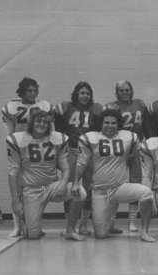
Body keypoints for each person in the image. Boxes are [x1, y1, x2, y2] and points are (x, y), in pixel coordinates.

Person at [75, 109, 155, 242]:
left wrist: (138, 180)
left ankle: (144, 232)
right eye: (107, 122)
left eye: (113, 123)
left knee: (146, 193)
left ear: (118, 124)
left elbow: (135, 159)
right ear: (101, 123)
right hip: (100, 190)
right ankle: (109, 223)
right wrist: (76, 181)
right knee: (101, 235)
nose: (110, 126)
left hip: (120, 187)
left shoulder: (129, 137)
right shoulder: (90, 138)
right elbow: (81, 162)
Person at [6, 110, 86, 240]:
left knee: (80, 192)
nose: (42, 124)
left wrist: (63, 183)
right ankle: (30, 221)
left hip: (51, 186)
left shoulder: (57, 139)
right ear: (31, 122)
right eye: (38, 121)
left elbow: (65, 168)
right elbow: (13, 173)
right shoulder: (18, 139)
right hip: (31, 190)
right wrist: (15, 201)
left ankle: (70, 230)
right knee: (33, 235)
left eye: (45, 122)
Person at [1, 77, 53, 237]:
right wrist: (12, 145)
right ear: (22, 91)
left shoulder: (43, 105)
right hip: (19, 146)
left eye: (35, 90)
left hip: (37, 147)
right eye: (29, 90)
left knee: (35, 187)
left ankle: (34, 223)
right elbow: (9, 131)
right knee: (17, 186)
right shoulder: (11, 107)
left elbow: (50, 129)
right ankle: (17, 225)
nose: (32, 93)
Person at [54, 81, 102, 238]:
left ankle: (83, 223)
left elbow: (98, 131)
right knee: (70, 187)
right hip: (72, 151)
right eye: (82, 93)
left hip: (88, 151)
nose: (85, 96)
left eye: (87, 93)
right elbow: (59, 129)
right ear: (76, 94)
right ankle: (70, 223)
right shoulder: (67, 107)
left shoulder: (95, 109)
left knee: (88, 187)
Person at [104, 80, 152, 232]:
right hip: (118, 149)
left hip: (136, 147)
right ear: (116, 92)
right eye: (121, 90)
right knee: (115, 184)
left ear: (132, 91)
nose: (125, 93)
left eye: (127, 90)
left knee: (135, 182)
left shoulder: (140, 104)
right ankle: (111, 221)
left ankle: (132, 221)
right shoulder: (111, 107)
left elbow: (147, 126)